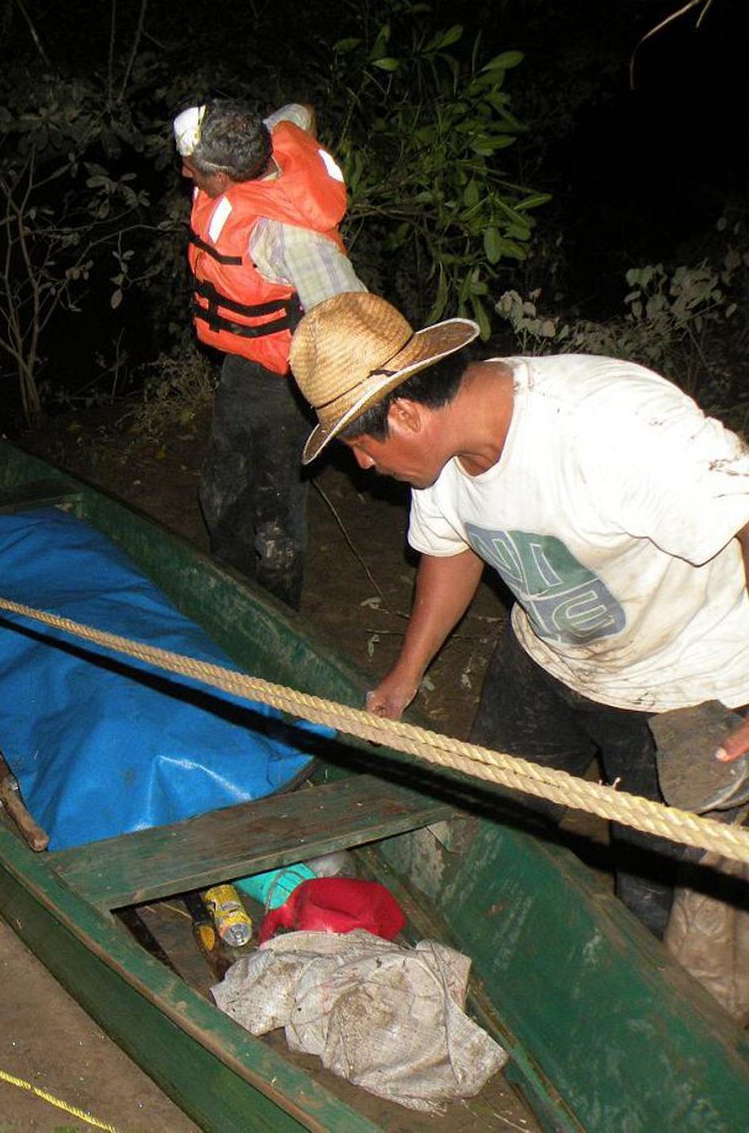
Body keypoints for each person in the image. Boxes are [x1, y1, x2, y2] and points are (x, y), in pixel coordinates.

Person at [288, 289, 749, 934]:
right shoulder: (442, 457)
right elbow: (453, 549)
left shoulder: (608, 425)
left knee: (657, 898)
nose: (361, 464)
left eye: (362, 445)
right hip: (549, 658)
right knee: (488, 811)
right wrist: (406, 673)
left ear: (408, 413)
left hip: (676, 680)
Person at [173, 98, 366, 609]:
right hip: (246, 361)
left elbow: (348, 315)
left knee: (275, 514)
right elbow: (301, 111)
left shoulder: (284, 236)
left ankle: (278, 620)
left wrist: (350, 411)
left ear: (221, 179)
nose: (183, 171)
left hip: (288, 374)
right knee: (220, 493)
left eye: (191, 168)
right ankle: (228, 590)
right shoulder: (262, 135)